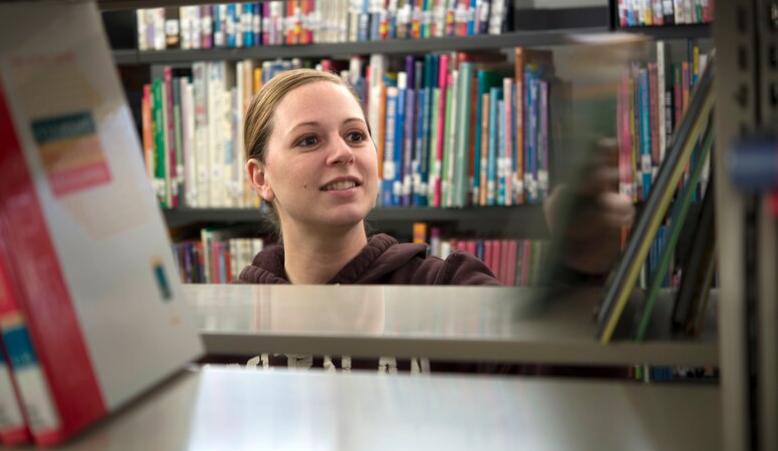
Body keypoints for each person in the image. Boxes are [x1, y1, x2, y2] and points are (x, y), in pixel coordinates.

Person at [239, 68, 634, 286]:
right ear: (261, 178)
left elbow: (553, 396)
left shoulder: (449, 285)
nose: (343, 153)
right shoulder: (231, 316)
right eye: (309, 140)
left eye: (356, 135)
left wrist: (580, 271)